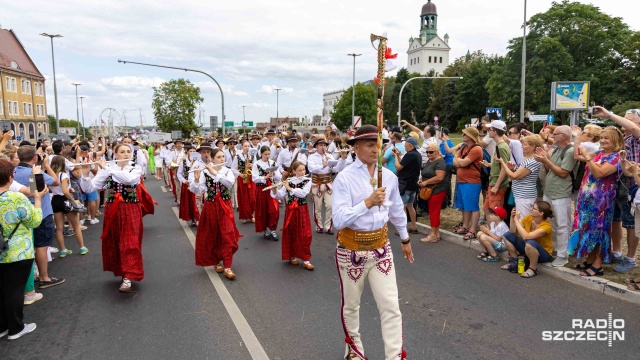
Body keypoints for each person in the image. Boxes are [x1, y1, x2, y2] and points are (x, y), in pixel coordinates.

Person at [332, 124, 412, 360]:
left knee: (390, 306)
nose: (375, 149)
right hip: (351, 250)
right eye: (369, 145)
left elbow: (397, 209)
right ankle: (355, 352)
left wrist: (405, 238)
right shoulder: (345, 178)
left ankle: (394, 356)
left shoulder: (388, 176)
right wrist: (366, 202)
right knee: (351, 306)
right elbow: (338, 219)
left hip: (381, 249)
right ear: (355, 148)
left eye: (377, 144)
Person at [79, 144, 145, 293]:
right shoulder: (108, 169)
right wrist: (85, 174)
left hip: (131, 208)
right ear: (115, 154)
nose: (126, 154)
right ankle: (122, 271)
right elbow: (90, 188)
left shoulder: (135, 168)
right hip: (112, 209)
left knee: (130, 242)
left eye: (128, 151)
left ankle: (129, 276)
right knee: (116, 241)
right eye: (122, 152)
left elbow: (129, 180)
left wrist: (107, 169)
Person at [0, 159, 47, 340]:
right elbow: (34, 220)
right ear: (10, 177)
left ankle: (3, 326)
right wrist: (37, 200)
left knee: (2, 289)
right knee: (14, 290)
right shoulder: (15, 198)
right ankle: (16, 327)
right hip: (17, 251)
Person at [570, 125, 623, 276]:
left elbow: (599, 173)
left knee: (599, 231)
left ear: (616, 140)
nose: (604, 141)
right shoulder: (599, 153)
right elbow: (577, 156)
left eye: (607, 138)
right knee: (586, 229)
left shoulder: (616, 157)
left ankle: (598, 264)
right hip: (586, 198)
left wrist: (588, 157)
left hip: (602, 201)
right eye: (602, 138)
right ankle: (590, 258)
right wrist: (577, 138)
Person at [592, 107, 639, 273]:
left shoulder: (637, 137)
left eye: (629, 120)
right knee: (616, 220)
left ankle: (631, 258)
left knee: (631, 224)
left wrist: (609, 115)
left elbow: (634, 129)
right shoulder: (624, 139)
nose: (623, 123)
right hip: (619, 186)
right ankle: (617, 252)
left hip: (634, 186)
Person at [13, 146, 64, 289]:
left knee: (28, 247)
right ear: (34, 157)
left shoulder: (13, 172)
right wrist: (46, 165)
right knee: (42, 246)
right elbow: (55, 181)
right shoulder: (35, 172)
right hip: (41, 212)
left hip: (21, 214)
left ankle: (30, 279)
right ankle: (44, 277)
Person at [189, 147, 241, 280]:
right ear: (212, 159)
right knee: (213, 234)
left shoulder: (227, 171)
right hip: (211, 205)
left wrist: (215, 173)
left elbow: (229, 184)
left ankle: (228, 265)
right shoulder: (205, 172)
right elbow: (197, 189)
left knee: (227, 234)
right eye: (219, 157)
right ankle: (216, 261)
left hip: (225, 206)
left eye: (223, 157)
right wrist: (195, 179)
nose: (222, 159)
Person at [534, 125, 576, 267]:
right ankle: (553, 249)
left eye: (555, 134)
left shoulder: (569, 151)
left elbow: (563, 172)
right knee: (550, 223)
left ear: (563, 136)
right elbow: (550, 169)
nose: (552, 136)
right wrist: (544, 160)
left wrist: (546, 160)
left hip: (561, 193)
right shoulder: (557, 149)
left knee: (562, 225)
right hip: (550, 192)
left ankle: (563, 255)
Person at [270, 161, 314, 270]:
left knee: (304, 234)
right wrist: (275, 189)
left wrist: (290, 188)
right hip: (290, 210)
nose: (303, 172)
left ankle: (305, 259)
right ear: (294, 171)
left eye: (304, 170)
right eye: (300, 170)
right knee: (292, 232)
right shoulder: (289, 181)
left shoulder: (308, 180)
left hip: (302, 210)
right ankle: (292, 255)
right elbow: (280, 195)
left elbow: (303, 193)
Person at [501, 202, 554, 278]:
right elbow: (513, 231)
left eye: (534, 208)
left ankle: (533, 268)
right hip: (528, 247)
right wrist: (512, 218)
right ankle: (514, 261)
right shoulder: (529, 218)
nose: (531, 209)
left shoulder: (546, 226)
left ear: (541, 213)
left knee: (530, 242)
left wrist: (517, 221)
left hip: (544, 254)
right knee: (507, 235)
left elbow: (526, 236)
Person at [307, 135, 346, 234]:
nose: (323, 147)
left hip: (328, 183)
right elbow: (311, 169)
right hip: (317, 183)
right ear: (316, 146)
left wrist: (342, 159)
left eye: (324, 145)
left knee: (330, 206)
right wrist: (323, 165)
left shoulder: (329, 156)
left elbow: (336, 169)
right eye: (321, 145)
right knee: (318, 207)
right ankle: (319, 226)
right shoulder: (311, 157)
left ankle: (328, 226)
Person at [50, 155, 88, 256]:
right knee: (76, 225)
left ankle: (63, 250)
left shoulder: (50, 175)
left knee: (59, 228)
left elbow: (51, 189)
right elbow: (65, 192)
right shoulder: (63, 175)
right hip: (65, 200)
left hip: (55, 200)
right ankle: (82, 247)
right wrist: (74, 200)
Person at [498, 135, 543, 217]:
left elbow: (514, 176)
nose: (522, 146)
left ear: (532, 147)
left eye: (525, 144)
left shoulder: (532, 161)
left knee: (523, 221)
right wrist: (512, 169)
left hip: (525, 196)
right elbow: (517, 174)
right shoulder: (526, 159)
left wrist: (503, 164)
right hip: (521, 195)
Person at [453, 127, 483, 240]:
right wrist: (459, 162)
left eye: (464, 134)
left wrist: (459, 162)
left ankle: (473, 230)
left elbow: (464, 162)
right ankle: (465, 226)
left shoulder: (476, 149)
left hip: (472, 182)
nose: (462, 135)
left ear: (470, 136)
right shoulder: (464, 147)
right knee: (464, 206)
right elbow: (455, 161)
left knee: (472, 206)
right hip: (462, 181)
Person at [418, 143, 447, 243]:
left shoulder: (440, 162)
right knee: (433, 212)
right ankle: (436, 233)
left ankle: (432, 235)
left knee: (434, 212)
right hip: (430, 189)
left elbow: (439, 177)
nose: (428, 154)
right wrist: (421, 179)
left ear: (437, 151)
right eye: (427, 152)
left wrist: (426, 182)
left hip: (437, 190)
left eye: (431, 152)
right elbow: (427, 173)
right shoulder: (430, 161)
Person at [252, 146, 282, 240]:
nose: (267, 156)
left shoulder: (272, 163)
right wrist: (264, 177)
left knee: (273, 209)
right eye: (265, 154)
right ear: (261, 154)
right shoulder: (256, 164)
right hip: (261, 189)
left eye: (269, 154)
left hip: (271, 188)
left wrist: (274, 174)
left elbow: (279, 177)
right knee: (262, 210)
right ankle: (265, 230)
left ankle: (273, 229)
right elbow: (254, 178)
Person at [394, 137, 422, 235]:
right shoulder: (417, 155)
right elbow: (404, 164)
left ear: (410, 145)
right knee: (410, 206)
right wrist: (398, 156)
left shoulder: (409, 155)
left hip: (405, 184)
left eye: (405, 145)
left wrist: (394, 158)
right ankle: (413, 226)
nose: (404, 147)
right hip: (413, 184)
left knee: (403, 207)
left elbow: (398, 167)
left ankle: (404, 228)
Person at [483, 120, 511, 211]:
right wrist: (490, 164)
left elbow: (504, 167)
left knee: (494, 211)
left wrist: (497, 186)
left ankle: (495, 225)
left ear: (495, 131)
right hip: (493, 182)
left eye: (490, 129)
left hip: (497, 184)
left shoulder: (502, 147)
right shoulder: (499, 145)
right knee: (486, 209)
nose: (488, 131)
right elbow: (500, 164)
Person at [232, 140, 256, 224]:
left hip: (251, 177)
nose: (247, 148)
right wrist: (240, 174)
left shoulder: (252, 156)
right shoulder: (237, 156)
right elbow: (233, 168)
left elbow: (257, 166)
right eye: (245, 146)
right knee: (243, 197)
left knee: (252, 197)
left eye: (248, 146)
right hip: (242, 177)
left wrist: (252, 165)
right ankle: (244, 216)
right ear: (242, 147)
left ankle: (252, 215)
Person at [177, 145, 199, 227]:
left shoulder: (199, 161)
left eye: (194, 152)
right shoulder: (183, 161)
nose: (192, 153)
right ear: (187, 152)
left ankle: (198, 217)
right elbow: (179, 173)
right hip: (187, 184)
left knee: (197, 201)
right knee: (190, 202)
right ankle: (193, 218)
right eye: (191, 151)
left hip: (197, 183)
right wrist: (184, 180)